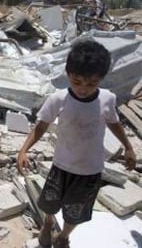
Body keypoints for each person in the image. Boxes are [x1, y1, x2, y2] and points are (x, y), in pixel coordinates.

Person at [17, 40, 136, 248]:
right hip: (61, 166)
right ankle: (47, 222)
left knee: (75, 212)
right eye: (77, 82)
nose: (83, 89)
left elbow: (114, 123)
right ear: (68, 74)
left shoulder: (107, 99)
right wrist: (23, 150)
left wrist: (128, 147)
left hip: (90, 171)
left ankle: (63, 236)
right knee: (50, 204)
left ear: (101, 79)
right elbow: (40, 126)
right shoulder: (58, 99)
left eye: (91, 84)